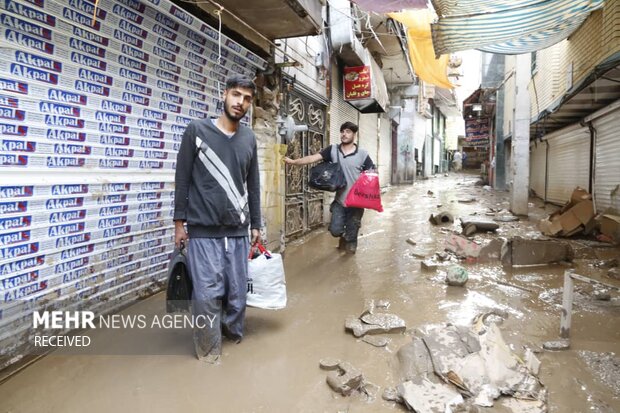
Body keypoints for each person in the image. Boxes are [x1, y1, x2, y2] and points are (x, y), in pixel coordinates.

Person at [173, 75, 261, 363]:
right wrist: (179, 223)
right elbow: (182, 178)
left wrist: (257, 224)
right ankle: (209, 351)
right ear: (224, 95)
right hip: (203, 230)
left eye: (247, 98)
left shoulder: (249, 138)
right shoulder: (196, 130)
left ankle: (233, 333)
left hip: (238, 230)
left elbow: (254, 183)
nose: (241, 102)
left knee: (237, 293)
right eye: (236, 95)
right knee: (208, 293)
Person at [284, 121, 374, 254]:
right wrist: (293, 162)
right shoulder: (332, 150)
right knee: (335, 230)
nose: (344, 134)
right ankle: (343, 237)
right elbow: (312, 158)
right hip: (340, 201)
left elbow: (372, 173)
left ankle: (348, 263)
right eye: (342, 131)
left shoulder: (362, 154)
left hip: (357, 203)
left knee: (352, 238)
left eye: (348, 132)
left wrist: (370, 191)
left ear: (354, 135)